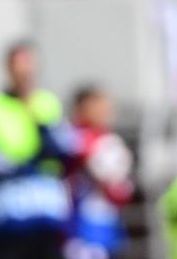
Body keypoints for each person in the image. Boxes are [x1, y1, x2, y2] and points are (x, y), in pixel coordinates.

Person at [0, 41, 72, 259]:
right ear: (8, 67)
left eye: (30, 63)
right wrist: (24, 165)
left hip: (45, 208)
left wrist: (35, 114)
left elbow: (64, 146)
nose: (26, 71)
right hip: (7, 208)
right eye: (20, 64)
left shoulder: (46, 102)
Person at [64, 85, 134, 259]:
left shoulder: (109, 140)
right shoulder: (72, 137)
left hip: (109, 224)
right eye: (98, 105)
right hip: (82, 225)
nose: (105, 111)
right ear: (82, 108)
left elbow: (119, 190)